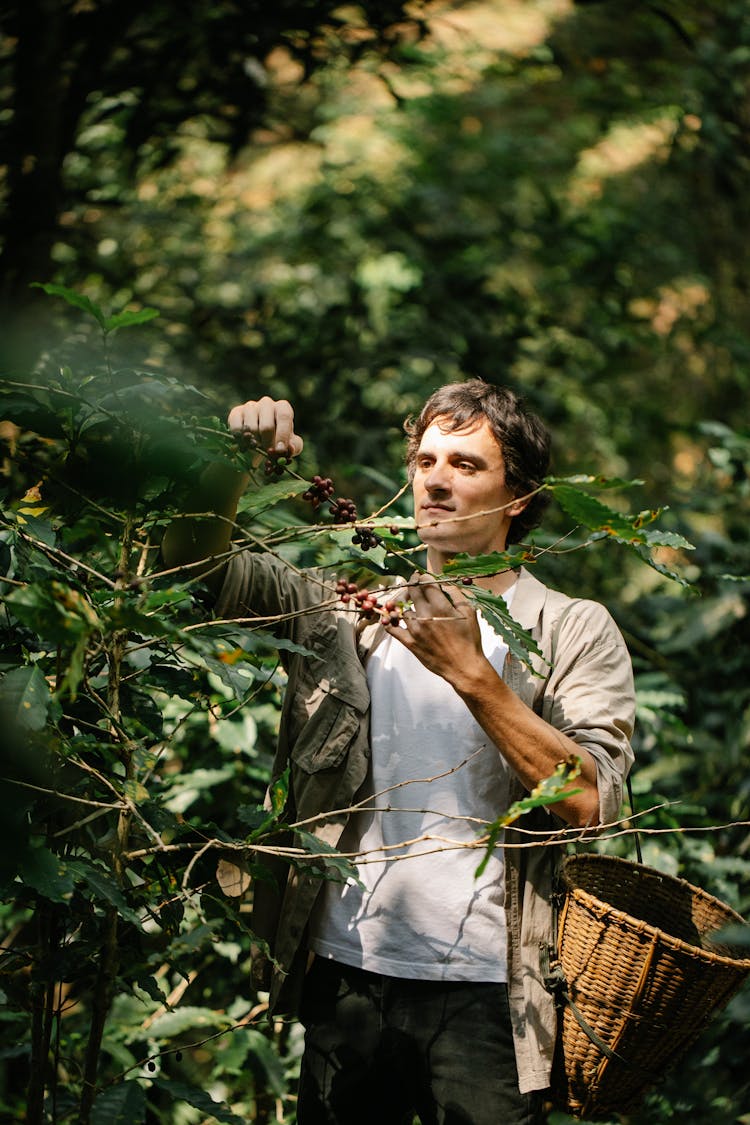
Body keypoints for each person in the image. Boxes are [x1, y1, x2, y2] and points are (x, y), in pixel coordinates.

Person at [162, 380, 635, 1125]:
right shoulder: (349, 608)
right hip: (348, 975)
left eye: (467, 464)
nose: (436, 480)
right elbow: (192, 572)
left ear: (519, 497)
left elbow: (586, 802)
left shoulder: (572, 628)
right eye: (425, 459)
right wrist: (233, 460)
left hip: (491, 996)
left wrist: (472, 673)